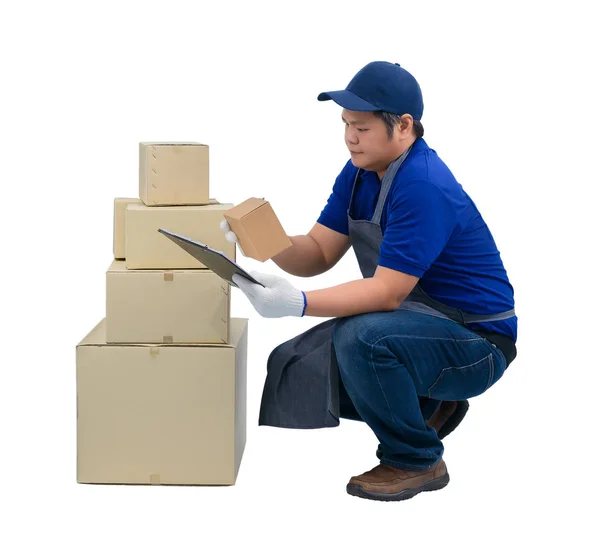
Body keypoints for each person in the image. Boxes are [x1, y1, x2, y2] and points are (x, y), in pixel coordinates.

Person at [221, 61, 517, 502]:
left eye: (360, 126)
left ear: (403, 125)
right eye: (345, 125)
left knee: (363, 339)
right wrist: (263, 241)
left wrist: (297, 302)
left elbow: (386, 292)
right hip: (419, 324)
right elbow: (319, 252)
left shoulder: (423, 183)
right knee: (298, 361)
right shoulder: (359, 172)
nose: (349, 137)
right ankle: (430, 405)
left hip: (477, 342)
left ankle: (416, 460)